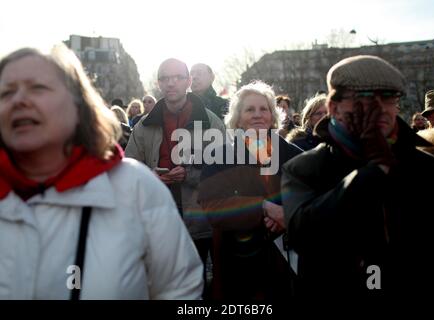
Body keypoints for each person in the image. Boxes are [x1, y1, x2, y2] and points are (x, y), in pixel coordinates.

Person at [0, 45, 203, 299]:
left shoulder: (134, 187)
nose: (19, 100)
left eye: (38, 88)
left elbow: (181, 288)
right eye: (6, 92)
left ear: (77, 105)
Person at [281, 55, 434, 297]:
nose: (379, 108)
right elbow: (305, 235)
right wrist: (373, 172)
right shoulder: (304, 169)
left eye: (388, 98)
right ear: (334, 107)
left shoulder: (428, 169)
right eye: (364, 99)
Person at [125, 58, 225, 298]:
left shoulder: (210, 121)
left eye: (178, 77)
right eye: (165, 78)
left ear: (188, 82)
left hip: (202, 215)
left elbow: (225, 170)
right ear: (159, 83)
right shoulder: (144, 125)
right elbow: (128, 169)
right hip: (159, 214)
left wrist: (189, 173)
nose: (171, 83)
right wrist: (150, 177)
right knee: (163, 282)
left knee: (202, 281)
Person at [198, 81, 302, 300]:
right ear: (238, 119)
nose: (257, 115)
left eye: (263, 109)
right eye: (249, 109)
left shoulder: (296, 156)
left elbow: (311, 199)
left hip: (285, 264)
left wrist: (287, 215)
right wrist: (263, 208)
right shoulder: (219, 155)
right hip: (236, 264)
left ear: (273, 116)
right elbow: (212, 207)